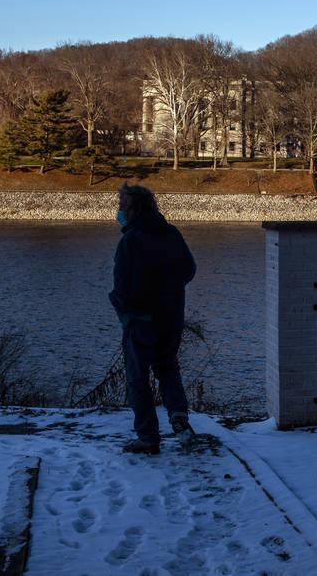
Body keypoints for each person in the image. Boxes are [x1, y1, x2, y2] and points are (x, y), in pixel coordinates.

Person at [108, 183, 197, 454]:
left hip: (141, 320)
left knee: (138, 378)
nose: (119, 210)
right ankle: (179, 416)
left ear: (134, 208)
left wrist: (124, 308)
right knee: (167, 368)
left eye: (122, 205)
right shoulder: (171, 233)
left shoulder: (130, 240)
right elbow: (189, 269)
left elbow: (121, 285)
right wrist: (170, 293)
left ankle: (148, 437)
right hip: (170, 318)